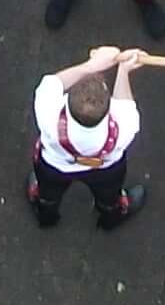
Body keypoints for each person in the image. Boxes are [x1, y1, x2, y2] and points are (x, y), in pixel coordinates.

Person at [27, 45, 146, 228]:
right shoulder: (125, 126)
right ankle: (110, 217)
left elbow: (52, 82)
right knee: (109, 196)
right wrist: (124, 70)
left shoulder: (47, 111)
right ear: (109, 107)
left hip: (54, 165)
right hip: (106, 169)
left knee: (48, 192)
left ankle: (46, 213)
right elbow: (126, 104)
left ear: (67, 100)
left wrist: (91, 65)